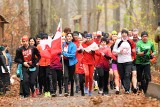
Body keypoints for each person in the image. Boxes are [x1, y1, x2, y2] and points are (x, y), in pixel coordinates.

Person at [113, 29, 136, 94]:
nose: (124, 34)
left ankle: (127, 89)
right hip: (120, 61)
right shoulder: (118, 41)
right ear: (121, 34)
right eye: (123, 33)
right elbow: (114, 50)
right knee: (122, 75)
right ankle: (125, 86)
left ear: (127, 34)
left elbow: (134, 49)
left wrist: (134, 57)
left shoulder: (130, 41)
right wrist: (119, 51)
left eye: (125, 33)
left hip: (128, 60)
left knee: (127, 74)